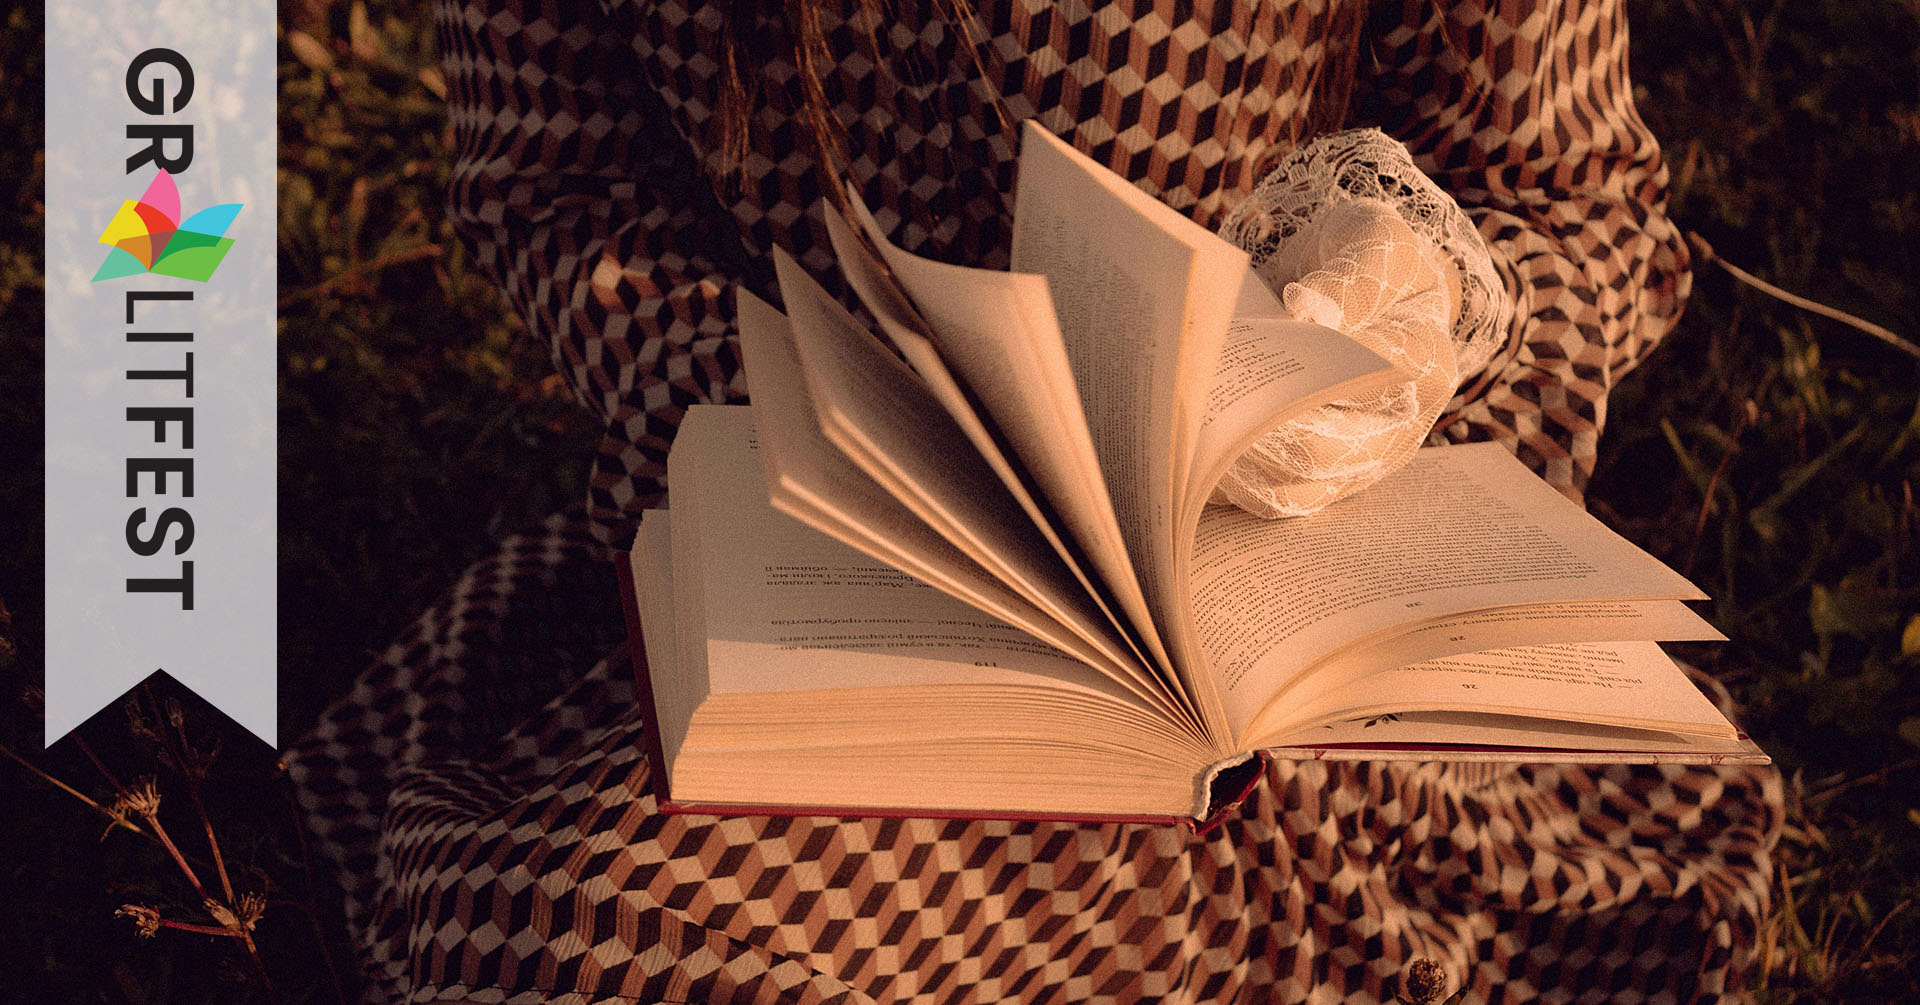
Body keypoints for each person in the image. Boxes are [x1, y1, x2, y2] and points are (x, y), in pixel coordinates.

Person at [290, 0, 1784, 1000]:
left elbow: (1563, 192)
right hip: (825, 574)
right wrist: (791, 411)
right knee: (573, 934)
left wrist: (1403, 338)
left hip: (1288, 657)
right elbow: (556, 187)